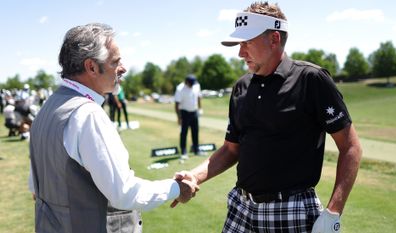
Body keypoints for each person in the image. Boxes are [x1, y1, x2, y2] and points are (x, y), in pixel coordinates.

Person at [174, 2, 362, 232]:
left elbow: (351, 147)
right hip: (240, 207)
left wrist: (333, 212)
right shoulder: (241, 86)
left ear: (274, 38)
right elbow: (231, 149)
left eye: (247, 43)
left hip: (290, 211)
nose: (240, 53)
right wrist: (194, 176)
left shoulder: (311, 80)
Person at [28, 23, 198, 233]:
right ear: (91, 67)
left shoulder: (48, 107)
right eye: (115, 61)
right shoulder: (87, 114)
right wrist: (177, 188)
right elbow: (124, 192)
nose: (123, 68)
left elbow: (35, 187)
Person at [174, 74, 203, 158]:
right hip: (184, 112)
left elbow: (199, 97)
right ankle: (183, 151)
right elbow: (176, 104)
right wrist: (179, 117)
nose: (192, 86)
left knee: (195, 131)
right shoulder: (180, 89)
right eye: (190, 84)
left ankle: (196, 149)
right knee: (184, 132)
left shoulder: (196, 85)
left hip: (194, 111)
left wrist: (200, 108)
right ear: (186, 82)